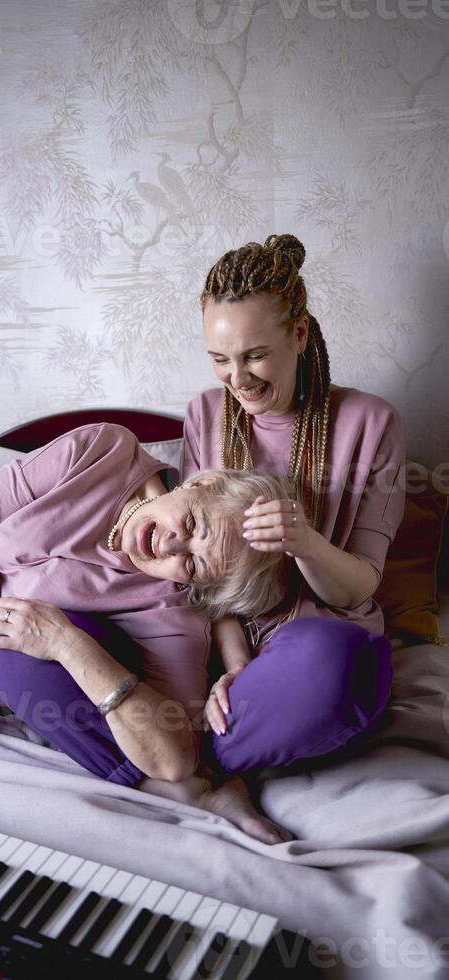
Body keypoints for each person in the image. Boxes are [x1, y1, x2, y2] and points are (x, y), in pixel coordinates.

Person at [0, 422, 308, 844]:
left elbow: (174, 757)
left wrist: (67, 642)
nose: (174, 547)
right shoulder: (103, 450)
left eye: (193, 566)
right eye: (194, 526)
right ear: (199, 484)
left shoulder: (169, 611)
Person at [180, 233, 405, 821]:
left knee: (334, 667)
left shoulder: (369, 422)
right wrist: (235, 669)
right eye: (220, 359)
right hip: (226, 644)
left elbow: (358, 589)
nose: (238, 379)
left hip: (319, 638)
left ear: (300, 333)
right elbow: (200, 581)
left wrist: (303, 540)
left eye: (255, 355)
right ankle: (205, 769)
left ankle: (179, 765)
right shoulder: (205, 415)